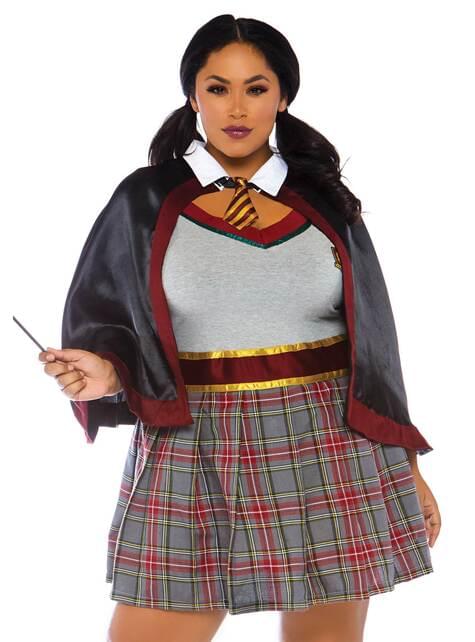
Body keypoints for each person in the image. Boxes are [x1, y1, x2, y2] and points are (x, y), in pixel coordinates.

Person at [38, 14, 441, 642]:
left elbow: (374, 348)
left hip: (330, 441)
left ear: (282, 97)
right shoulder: (145, 201)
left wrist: (406, 461)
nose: (236, 108)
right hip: (195, 443)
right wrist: (107, 373)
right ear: (192, 96)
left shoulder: (324, 199)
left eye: (256, 88)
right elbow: (115, 323)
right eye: (217, 87)